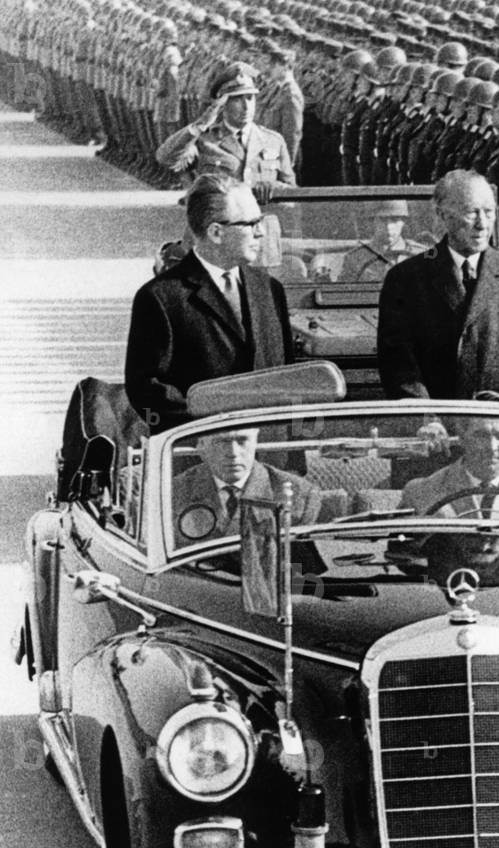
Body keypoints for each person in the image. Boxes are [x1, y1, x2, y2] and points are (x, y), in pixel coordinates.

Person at [125, 176, 293, 433]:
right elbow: (146, 391)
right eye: (250, 224)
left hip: (272, 454)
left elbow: (290, 378)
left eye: (260, 221)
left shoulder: (269, 290)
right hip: (199, 456)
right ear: (216, 232)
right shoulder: (161, 297)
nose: (261, 232)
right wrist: (215, 430)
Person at [377, 169, 499, 404]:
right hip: (435, 427)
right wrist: (425, 418)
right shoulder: (406, 279)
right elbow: (397, 358)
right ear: (443, 216)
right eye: (471, 213)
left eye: (489, 212)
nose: (482, 224)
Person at [155, 61, 295, 198]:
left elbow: (292, 191)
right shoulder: (205, 141)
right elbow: (166, 158)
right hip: (221, 219)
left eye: (249, 98)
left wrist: (275, 186)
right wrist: (200, 124)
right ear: (222, 104)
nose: (246, 106)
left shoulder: (273, 141)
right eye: (237, 99)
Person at [172, 427, 321, 547]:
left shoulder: (300, 496)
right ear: (201, 446)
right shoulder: (171, 494)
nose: (233, 453)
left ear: (256, 440)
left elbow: (295, 565)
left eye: (243, 441)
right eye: (221, 442)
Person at [400, 415, 499, 521]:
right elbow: (404, 556)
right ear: (463, 438)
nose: (492, 447)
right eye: (481, 436)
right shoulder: (420, 493)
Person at [339, 200, 422, 281]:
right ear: (372, 222)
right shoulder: (355, 259)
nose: (388, 227)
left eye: (394, 220)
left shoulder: (420, 255)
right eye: (382, 220)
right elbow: (344, 293)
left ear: (404, 222)